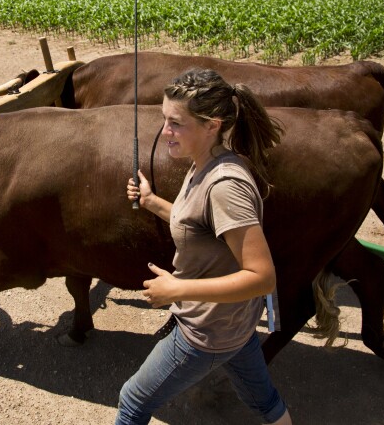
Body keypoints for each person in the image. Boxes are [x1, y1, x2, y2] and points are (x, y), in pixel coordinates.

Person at [116, 68, 292, 425]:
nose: (166, 131)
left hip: (205, 332)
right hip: (234, 324)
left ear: (212, 125)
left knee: (132, 400)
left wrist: (178, 288)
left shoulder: (225, 185)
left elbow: (262, 277)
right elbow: (198, 226)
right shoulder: (205, 164)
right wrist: (152, 202)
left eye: (176, 123)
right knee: (263, 399)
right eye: (164, 119)